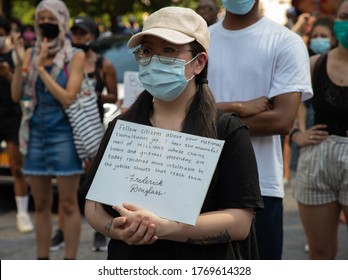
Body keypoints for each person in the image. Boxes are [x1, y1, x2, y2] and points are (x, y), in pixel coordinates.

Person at [80, 6, 264, 260]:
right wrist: (118, 230)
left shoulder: (227, 131)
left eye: (169, 50)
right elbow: (93, 205)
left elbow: (240, 222)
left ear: (198, 62)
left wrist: (167, 228)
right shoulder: (121, 127)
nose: (155, 60)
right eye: (147, 51)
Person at [207, 0, 313, 259]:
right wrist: (241, 107)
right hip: (199, 181)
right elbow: (181, 111)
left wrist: (209, 119)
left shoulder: (285, 41)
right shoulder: (201, 41)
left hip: (259, 185)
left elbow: (281, 121)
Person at [11, 0, 85, 260]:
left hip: (64, 134)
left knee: (67, 203)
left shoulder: (75, 55)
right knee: (40, 203)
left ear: (62, 21)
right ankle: (42, 262)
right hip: (35, 134)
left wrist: (41, 68)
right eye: (40, 19)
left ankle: (70, 262)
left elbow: (68, 97)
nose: (45, 24)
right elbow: (16, 95)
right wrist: (24, 64)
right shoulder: (30, 54)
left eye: (50, 18)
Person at [50, 15, 118, 253]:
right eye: (75, 32)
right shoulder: (65, 60)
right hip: (66, 127)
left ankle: (99, 231)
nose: (78, 37)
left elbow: (113, 96)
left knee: (93, 182)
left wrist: (93, 95)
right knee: (65, 184)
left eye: (83, 33)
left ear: (93, 36)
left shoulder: (103, 65)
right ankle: (60, 230)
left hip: (90, 128)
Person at [291, 0, 348, 259]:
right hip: (317, 162)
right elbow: (284, 105)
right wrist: (296, 134)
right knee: (320, 253)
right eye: (345, 16)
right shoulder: (314, 63)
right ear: (335, 20)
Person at [0, 15, 34, 234]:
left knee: (16, 165)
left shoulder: (17, 56)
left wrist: (8, 74)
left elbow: (20, 91)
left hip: (12, 115)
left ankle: (22, 212)